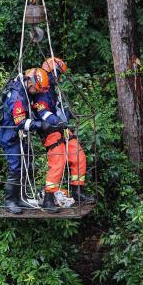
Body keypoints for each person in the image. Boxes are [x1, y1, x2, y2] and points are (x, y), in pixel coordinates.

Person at [31, 57, 95, 206]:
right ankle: (49, 198)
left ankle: (77, 191)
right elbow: (44, 113)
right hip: (50, 131)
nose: (59, 78)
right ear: (51, 73)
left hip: (61, 128)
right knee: (58, 161)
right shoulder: (41, 90)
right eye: (58, 74)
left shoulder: (52, 90)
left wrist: (66, 114)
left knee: (78, 155)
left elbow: (57, 109)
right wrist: (57, 122)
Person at [0, 68, 63, 214]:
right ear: (29, 81)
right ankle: (10, 200)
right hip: (10, 135)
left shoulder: (25, 91)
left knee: (26, 164)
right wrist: (41, 125)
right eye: (36, 89)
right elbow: (20, 122)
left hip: (20, 135)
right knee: (15, 167)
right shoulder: (17, 97)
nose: (36, 92)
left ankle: (20, 198)